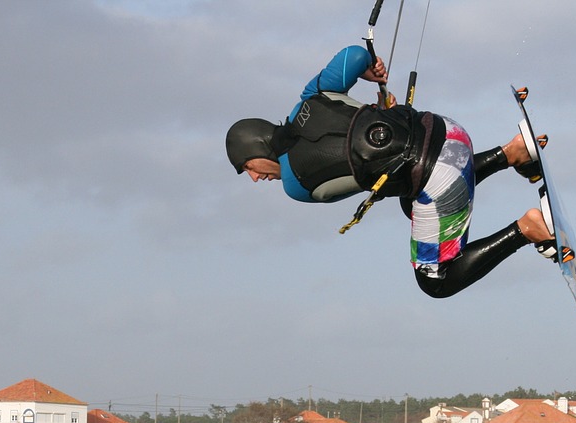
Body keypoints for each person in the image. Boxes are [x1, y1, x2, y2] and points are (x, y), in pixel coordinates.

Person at [226, 44, 557, 299]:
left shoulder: (295, 186)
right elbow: (355, 54)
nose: (256, 177)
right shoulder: (308, 98)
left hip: (441, 177)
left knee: (434, 279)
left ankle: (527, 230)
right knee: (409, 200)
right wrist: (370, 71)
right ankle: (512, 153)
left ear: (256, 148)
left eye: (248, 168)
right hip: (449, 130)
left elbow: (364, 172)